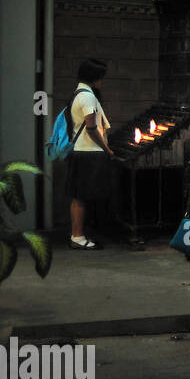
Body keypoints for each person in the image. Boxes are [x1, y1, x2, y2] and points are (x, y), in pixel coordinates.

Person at [65, 58, 116, 250]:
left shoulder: (78, 93)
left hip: (81, 152)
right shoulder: (87, 97)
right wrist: (107, 149)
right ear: (94, 77)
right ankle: (77, 237)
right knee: (81, 197)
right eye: (101, 77)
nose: (102, 81)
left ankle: (77, 235)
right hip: (88, 153)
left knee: (79, 196)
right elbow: (92, 128)